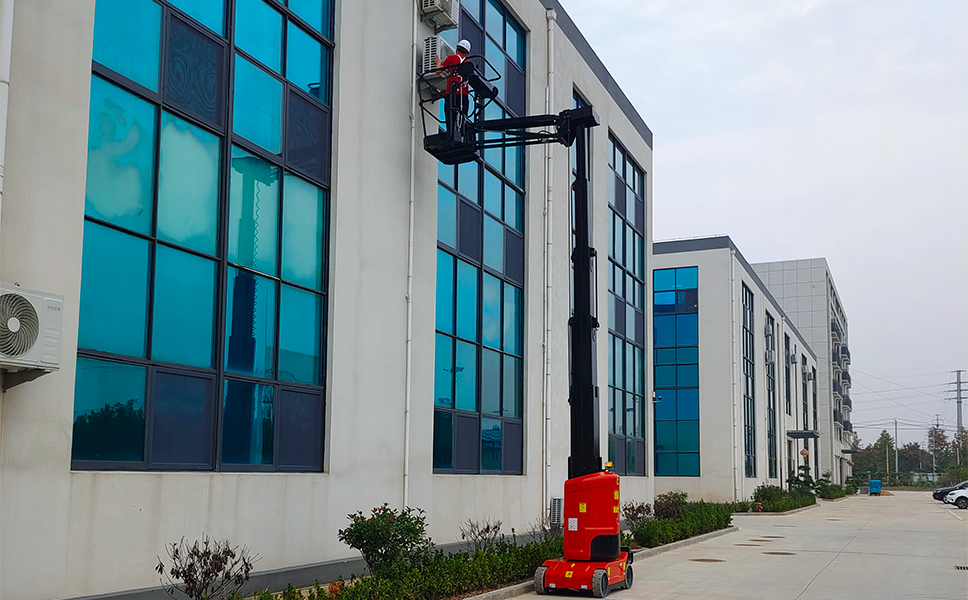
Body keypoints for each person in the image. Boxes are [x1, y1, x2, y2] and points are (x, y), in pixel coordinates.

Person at [440, 39, 471, 133]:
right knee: (463, 116)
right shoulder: (468, 63)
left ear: (457, 49)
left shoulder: (451, 58)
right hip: (464, 95)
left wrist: (438, 62)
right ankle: (463, 134)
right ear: (466, 53)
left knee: (450, 116)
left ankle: (450, 133)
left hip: (451, 92)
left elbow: (438, 71)